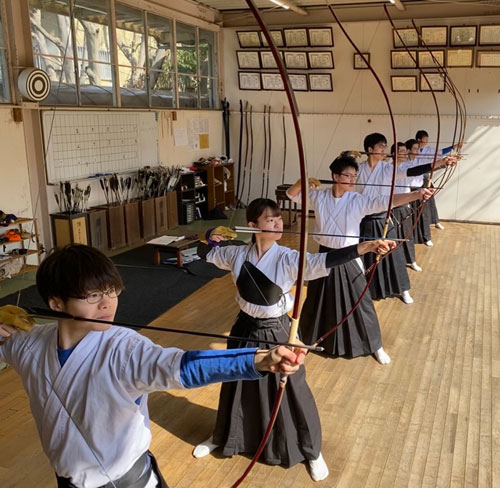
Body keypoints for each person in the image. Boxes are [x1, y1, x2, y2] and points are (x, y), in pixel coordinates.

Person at [0, 244, 309, 488]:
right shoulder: (27, 344)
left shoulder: (124, 349)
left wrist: (261, 359)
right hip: (67, 479)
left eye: (112, 291)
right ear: (56, 303)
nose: (107, 304)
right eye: (93, 295)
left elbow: (182, 367)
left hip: (130, 482)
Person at [192, 198, 394, 482]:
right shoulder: (236, 254)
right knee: (235, 382)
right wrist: (210, 236)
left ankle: (312, 451)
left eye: (278, 219)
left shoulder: (287, 257)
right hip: (243, 329)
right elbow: (204, 252)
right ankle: (223, 436)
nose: (277, 224)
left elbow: (322, 261)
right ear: (252, 226)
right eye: (269, 220)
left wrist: (366, 246)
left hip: (277, 331)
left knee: (292, 389)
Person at [286, 154, 435, 364]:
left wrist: (417, 195)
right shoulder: (318, 196)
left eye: (355, 175)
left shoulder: (358, 200)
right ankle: (307, 339)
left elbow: (388, 201)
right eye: (347, 175)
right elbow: (291, 194)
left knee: (360, 302)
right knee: (317, 300)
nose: (352, 179)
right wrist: (302, 181)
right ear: (335, 176)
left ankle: (375, 345)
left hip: (348, 255)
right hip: (324, 256)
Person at [355, 133, 454, 303]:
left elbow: (412, 170)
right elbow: (340, 173)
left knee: (394, 255)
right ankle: (364, 290)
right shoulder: (358, 168)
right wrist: (343, 157)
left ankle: (403, 289)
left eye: (385, 146)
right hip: (362, 219)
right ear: (370, 150)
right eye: (380, 146)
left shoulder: (387, 169)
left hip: (383, 218)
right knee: (363, 256)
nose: (384, 149)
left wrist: (440, 163)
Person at [390, 142, 422, 272]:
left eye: (405, 151)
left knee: (407, 236)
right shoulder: (387, 168)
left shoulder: (408, 167)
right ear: (393, 154)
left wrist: (441, 164)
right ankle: (395, 264)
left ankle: (411, 260)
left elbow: (417, 179)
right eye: (401, 151)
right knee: (393, 239)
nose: (404, 154)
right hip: (391, 207)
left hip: (404, 205)